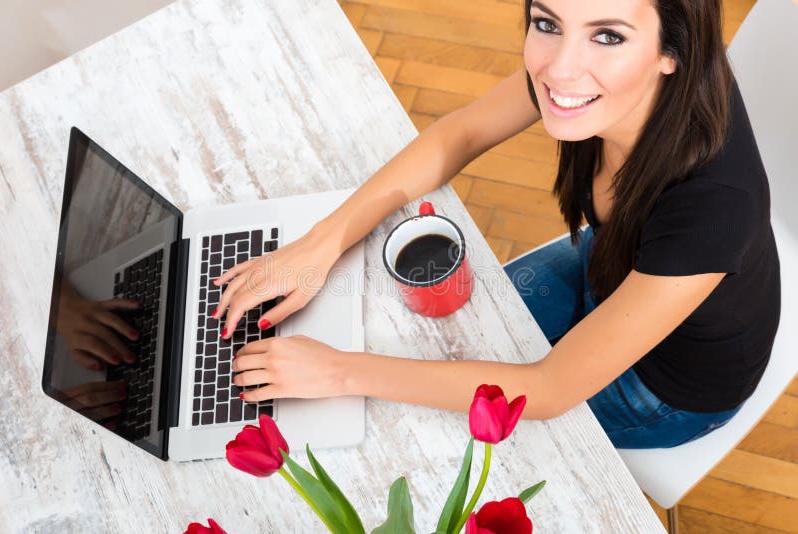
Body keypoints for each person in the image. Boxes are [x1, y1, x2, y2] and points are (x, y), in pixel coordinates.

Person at [209, 0, 780, 448]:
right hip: (611, 265)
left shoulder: (714, 208)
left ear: (671, 49)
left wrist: (336, 372)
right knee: (415, 339)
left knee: (429, 428)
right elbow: (460, 134)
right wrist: (319, 244)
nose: (559, 68)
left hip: (666, 388)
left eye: (608, 35)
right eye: (546, 23)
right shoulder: (595, 79)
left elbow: (550, 389)